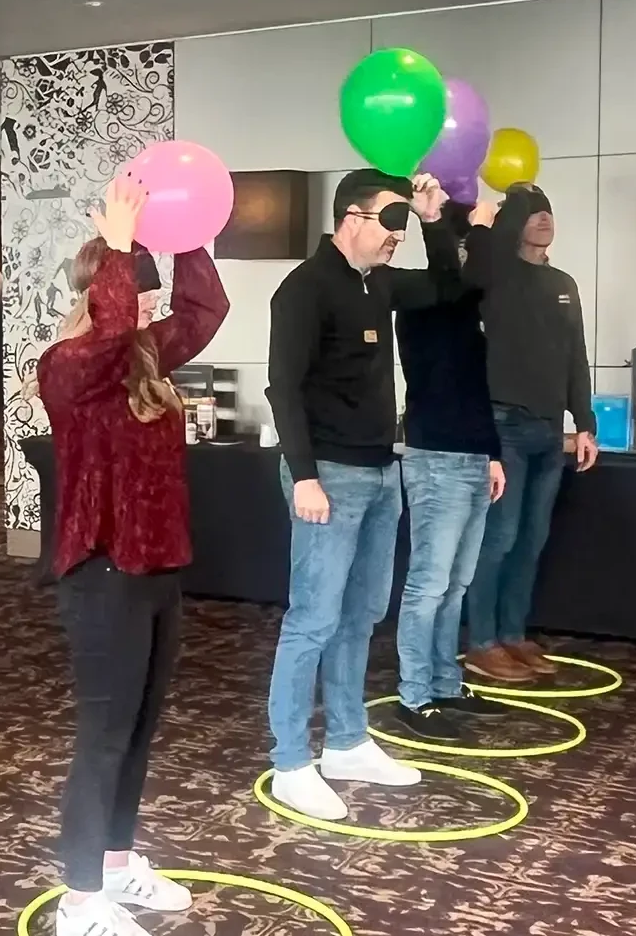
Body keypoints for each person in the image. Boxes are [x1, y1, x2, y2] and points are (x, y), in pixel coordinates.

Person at [35, 177, 229, 936]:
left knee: (141, 729)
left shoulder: (145, 354)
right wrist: (119, 246)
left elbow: (203, 311)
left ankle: (115, 865)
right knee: (104, 733)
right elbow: (112, 333)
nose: (147, 310)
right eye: (132, 292)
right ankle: (80, 900)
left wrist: (185, 238)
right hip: (102, 574)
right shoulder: (67, 365)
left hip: (157, 570)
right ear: (100, 291)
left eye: (148, 295)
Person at [263, 169, 455, 822]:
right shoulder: (304, 289)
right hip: (329, 475)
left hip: (380, 470)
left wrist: (437, 220)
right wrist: (305, 474)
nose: (396, 237)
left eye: (404, 227)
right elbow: (281, 389)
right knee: (312, 617)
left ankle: (345, 741)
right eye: (389, 223)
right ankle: (290, 759)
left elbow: (448, 287)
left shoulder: (377, 283)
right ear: (350, 216)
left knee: (360, 614)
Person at [460, 184, 597, 683]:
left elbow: (574, 356)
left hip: (549, 429)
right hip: (504, 424)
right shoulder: (496, 276)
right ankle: (482, 641)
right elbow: (473, 270)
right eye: (530, 213)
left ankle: (514, 634)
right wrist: (490, 221)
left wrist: (585, 423)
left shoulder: (563, 282)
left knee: (532, 538)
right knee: (501, 536)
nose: (542, 219)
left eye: (548, 212)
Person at [391, 200, 510, 741]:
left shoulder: (465, 307)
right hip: (434, 457)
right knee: (429, 584)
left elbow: (475, 391)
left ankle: (444, 682)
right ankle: (414, 695)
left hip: (468, 455)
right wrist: (469, 227)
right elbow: (468, 277)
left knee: (455, 583)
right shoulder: (424, 298)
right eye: (467, 249)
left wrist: (491, 454)